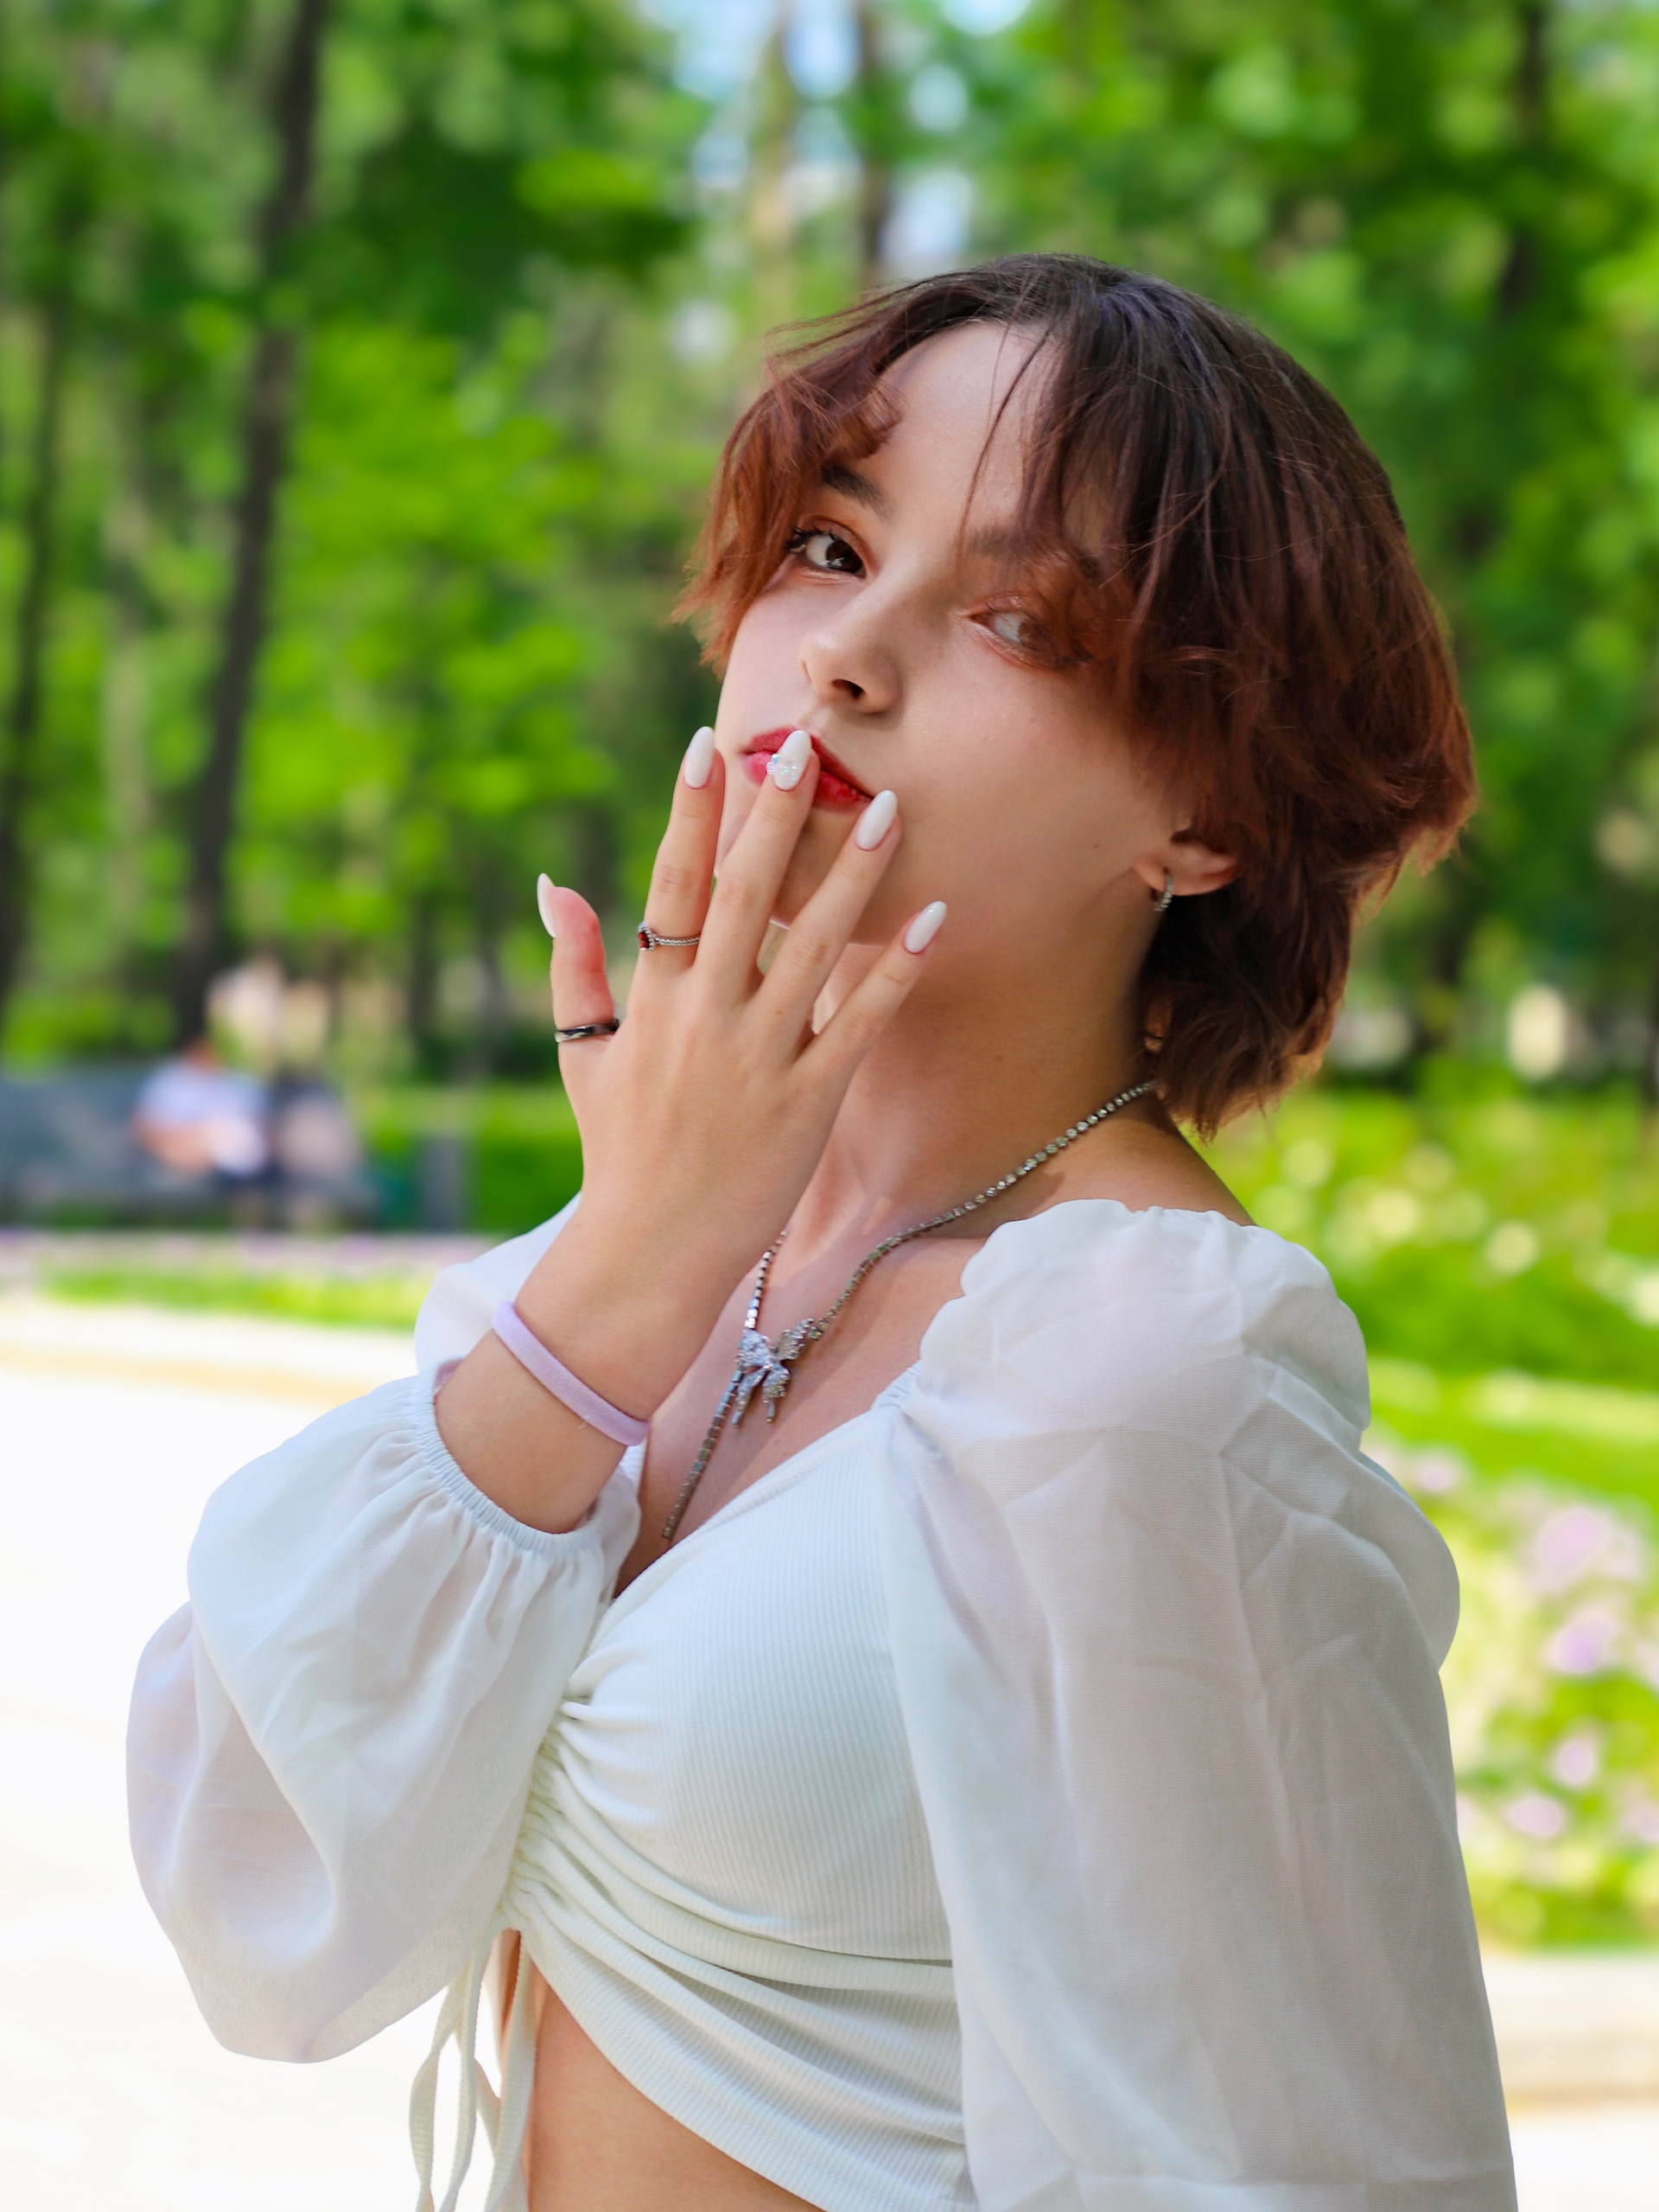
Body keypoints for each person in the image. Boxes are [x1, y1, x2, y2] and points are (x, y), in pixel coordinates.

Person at [128, 257, 1515, 2212]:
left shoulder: (1149, 1377)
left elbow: (1325, 2166)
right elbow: (258, 1895)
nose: (846, 654)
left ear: (1205, 817)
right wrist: (630, 1273)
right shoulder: (646, 1243)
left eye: (1020, 619)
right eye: (827, 544)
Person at [131, 1035, 271, 1182]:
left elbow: (263, 1127)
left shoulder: (240, 1083)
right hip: (181, 1154)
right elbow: (143, 1130)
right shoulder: (168, 1082)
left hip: (241, 1158)